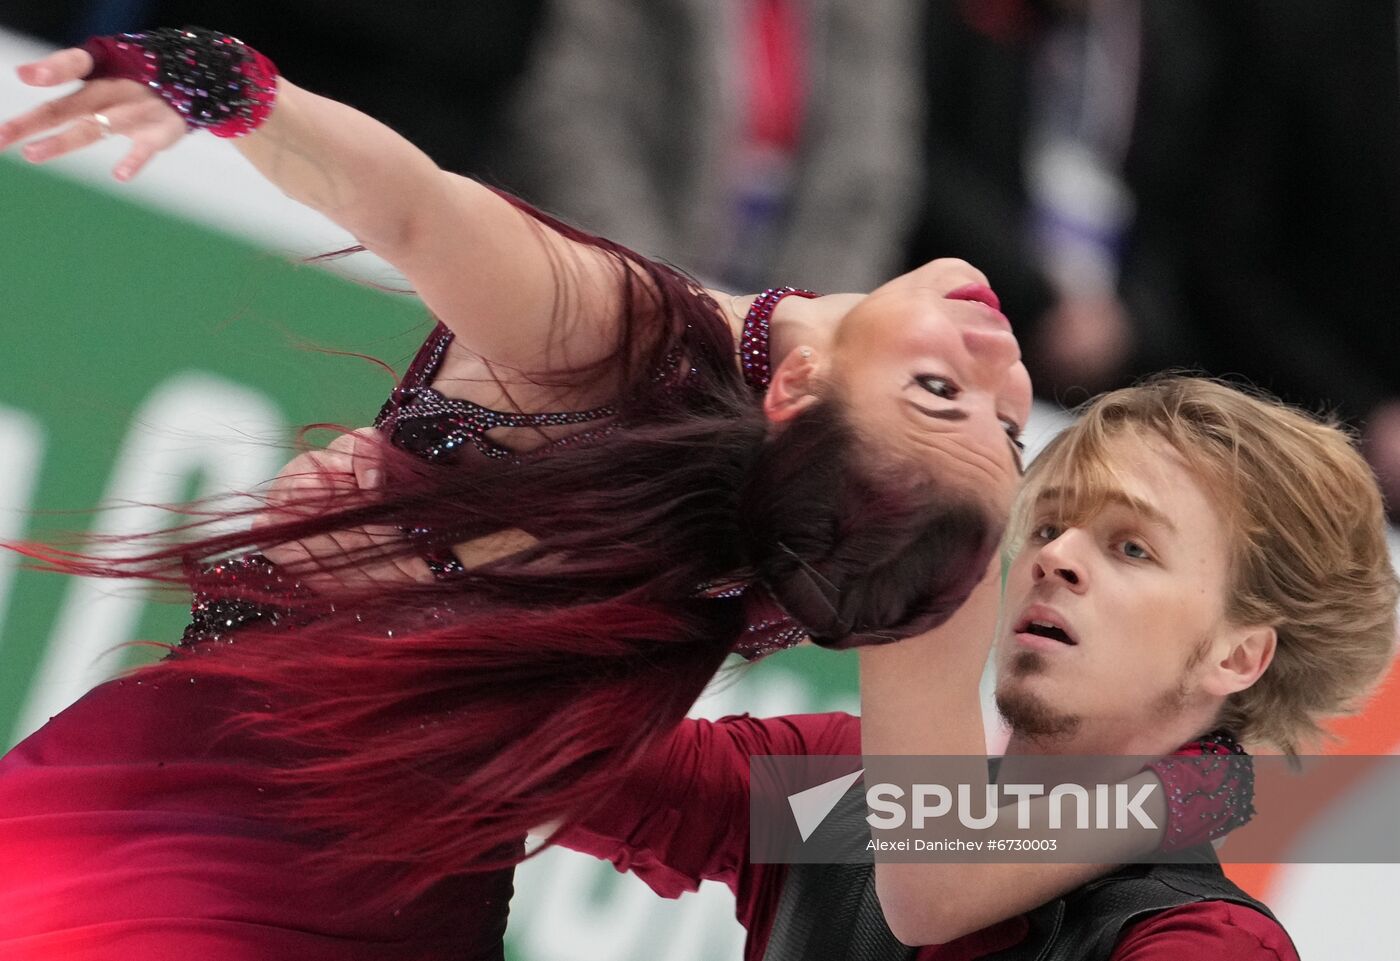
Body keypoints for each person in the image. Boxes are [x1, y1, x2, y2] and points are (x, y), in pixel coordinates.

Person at [0, 27, 1031, 961]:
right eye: (978, 409)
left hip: (158, 846)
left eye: (1136, 547)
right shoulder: (893, 528)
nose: (997, 362)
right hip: (272, 863)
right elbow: (911, 846)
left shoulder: (677, 382)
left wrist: (1174, 797)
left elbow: (914, 859)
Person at [549, 376, 1397, 960]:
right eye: (1048, 523)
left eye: (1130, 545)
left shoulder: (1206, 942)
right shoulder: (836, 787)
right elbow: (547, 759)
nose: (1055, 555)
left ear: (1237, 654)